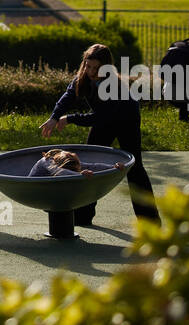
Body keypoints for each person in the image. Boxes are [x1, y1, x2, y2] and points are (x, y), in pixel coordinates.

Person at [40, 43, 161, 227]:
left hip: (126, 120)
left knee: (135, 169)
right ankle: (82, 216)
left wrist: (70, 118)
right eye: (88, 66)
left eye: (96, 68)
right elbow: (68, 97)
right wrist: (54, 118)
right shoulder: (82, 77)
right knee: (87, 164)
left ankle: (150, 222)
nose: (90, 71)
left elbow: (101, 117)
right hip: (103, 121)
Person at [28, 148, 125, 178]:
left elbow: (92, 166)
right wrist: (79, 174)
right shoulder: (47, 161)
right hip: (32, 189)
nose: (73, 153)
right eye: (70, 153)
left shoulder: (67, 162)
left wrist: (113, 167)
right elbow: (60, 171)